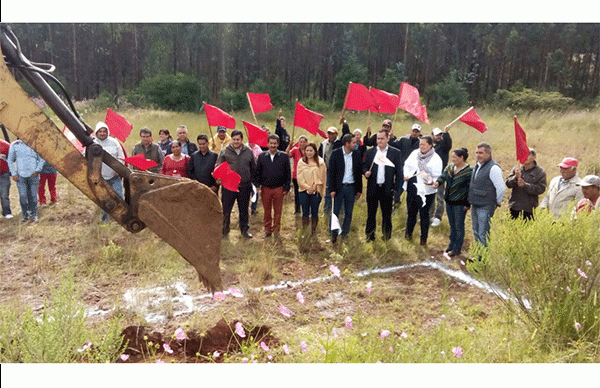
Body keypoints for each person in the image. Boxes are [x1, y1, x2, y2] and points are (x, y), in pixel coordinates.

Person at [403, 135, 443, 246]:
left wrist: (432, 181)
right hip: (413, 187)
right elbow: (406, 165)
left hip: (426, 190)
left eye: (424, 145)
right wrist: (406, 175)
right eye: (420, 144)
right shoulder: (414, 153)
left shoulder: (436, 159)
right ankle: (408, 235)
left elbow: (437, 176)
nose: (422, 147)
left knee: (424, 214)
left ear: (430, 145)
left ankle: (423, 239)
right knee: (411, 213)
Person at [363, 130, 402, 241]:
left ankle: (386, 236)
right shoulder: (371, 152)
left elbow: (399, 172)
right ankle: (370, 235)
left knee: (387, 214)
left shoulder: (395, 153)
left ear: (387, 139)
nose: (379, 141)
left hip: (387, 188)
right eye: (378, 139)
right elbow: (364, 166)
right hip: (373, 188)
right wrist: (365, 172)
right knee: (371, 213)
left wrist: (396, 189)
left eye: (382, 139)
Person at [216, 130, 256, 239]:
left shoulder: (248, 151)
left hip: (244, 186)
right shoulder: (224, 151)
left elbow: (253, 168)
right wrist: (219, 176)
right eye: (234, 139)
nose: (236, 141)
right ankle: (224, 230)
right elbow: (218, 166)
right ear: (231, 139)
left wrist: (252, 182)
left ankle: (244, 230)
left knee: (243, 209)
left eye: (238, 139)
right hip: (228, 186)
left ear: (242, 140)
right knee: (226, 209)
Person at [433, 148, 472, 256]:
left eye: (455, 157)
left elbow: (470, 189)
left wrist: (467, 203)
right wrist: (437, 183)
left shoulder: (469, 171)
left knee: (459, 225)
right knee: (452, 225)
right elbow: (443, 177)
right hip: (449, 201)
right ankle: (451, 243)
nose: (452, 159)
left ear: (462, 158)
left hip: (460, 203)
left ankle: (457, 248)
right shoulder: (450, 167)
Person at [468, 142, 505, 250]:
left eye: (480, 153)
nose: (478, 155)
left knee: (483, 233)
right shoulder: (477, 166)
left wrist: (497, 202)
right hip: (475, 204)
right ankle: (478, 257)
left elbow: (501, 188)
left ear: (488, 154)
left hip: (486, 205)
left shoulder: (494, 168)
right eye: (476, 153)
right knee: (476, 231)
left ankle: (483, 260)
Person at [328, 134, 363, 243]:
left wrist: (359, 190)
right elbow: (331, 173)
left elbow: (358, 174)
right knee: (335, 212)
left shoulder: (357, 154)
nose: (355, 144)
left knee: (348, 212)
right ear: (347, 143)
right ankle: (333, 235)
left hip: (351, 188)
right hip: (339, 188)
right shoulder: (336, 154)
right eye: (353, 142)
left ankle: (344, 234)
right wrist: (331, 189)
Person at [255, 134, 291, 237]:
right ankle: (267, 230)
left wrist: (287, 187)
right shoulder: (262, 156)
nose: (273, 145)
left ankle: (276, 230)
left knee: (278, 211)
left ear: (278, 144)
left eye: (275, 143)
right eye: (271, 143)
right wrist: (258, 185)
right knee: (267, 210)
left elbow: (288, 173)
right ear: (268, 144)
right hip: (265, 188)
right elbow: (258, 172)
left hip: (279, 188)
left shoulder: (284, 156)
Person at [93, 122, 125, 223]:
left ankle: (121, 219)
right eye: (100, 132)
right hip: (100, 178)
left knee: (119, 196)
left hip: (114, 176)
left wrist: (119, 170)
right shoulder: (93, 143)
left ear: (107, 132)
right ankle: (105, 220)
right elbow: (85, 159)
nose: (102, 133)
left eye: (104, 131)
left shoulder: (114, 142)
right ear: (96, 132)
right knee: (105, 199)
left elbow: (121, 157)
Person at [7, 139, 44, 222]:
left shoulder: (36, 143)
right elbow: (10, 160)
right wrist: (13, 173)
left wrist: (37, 170)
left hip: (33, 175)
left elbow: (42, 158)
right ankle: (25, 215)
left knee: (33, 196)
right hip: (20, 175)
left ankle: (34, 215)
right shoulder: (15, 145)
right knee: (23, 196)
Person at [505, 148, 547, 220]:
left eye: (527, 154)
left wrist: (525, 185)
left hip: (529, 208)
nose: (524, 157)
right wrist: (515, 178)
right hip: (514, 206)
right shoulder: (517, 168)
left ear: (534, 157)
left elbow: (541, 189)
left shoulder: (540, 172)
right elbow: (508, 183)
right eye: (522, 154)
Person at [297, 142, 327, 235]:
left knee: (315, 211)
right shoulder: (301, 162)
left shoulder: (321, 163)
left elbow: (322, 177)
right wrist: (307, 188)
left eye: (311, 150)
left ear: (315, 151)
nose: (309, 152)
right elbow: (299, 178)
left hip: (316, 190)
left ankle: (313, 231)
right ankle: (305, 230)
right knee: (305, 211)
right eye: (307, 150)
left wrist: (314, 187)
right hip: (303, 190)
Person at [391, 123, 422, 208]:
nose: (415, 133)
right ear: (410, 131)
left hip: (415, 170)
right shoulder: (403, 139)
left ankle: (412, 206)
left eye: (417, 132)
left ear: (419, 133)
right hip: (402, 168)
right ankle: (395, 202)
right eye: (413, 131)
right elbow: (392, 146)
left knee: (412, 189)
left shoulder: (421, 142)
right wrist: (391, 138)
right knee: (399, 186)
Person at [430, 126, 453, 227]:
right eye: (437, 135)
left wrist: (446, 133)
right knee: (430, 195)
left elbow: (448, 143)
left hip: (440, 175)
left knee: (440, 196)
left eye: (440, 135)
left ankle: (437, 217)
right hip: (430, 175)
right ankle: (430, 215)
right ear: (432, 136)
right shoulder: (432, 147)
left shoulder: (444, 146)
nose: (439, 137)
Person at [318, 127, 341, 216]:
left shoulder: (340, 143)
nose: (331, 135)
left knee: (337, 190)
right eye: (329, 133)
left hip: (337, 171)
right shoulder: (323, 144)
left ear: (336, 134)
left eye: (333, 133)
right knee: (327, 191)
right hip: (327, 171)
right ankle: (326, 211)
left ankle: (336, 211)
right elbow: (319, 155)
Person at [286, 135, 308, 215]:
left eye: (304, 142)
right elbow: (287, 154)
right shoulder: (295, 150)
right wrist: (290, 145)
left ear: (306, 143)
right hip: (296, 176)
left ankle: (305, 209)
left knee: (305, 192)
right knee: (297, 193)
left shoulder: (308, 150)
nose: (302, 144)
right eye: (300, 142)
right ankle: (297, 209)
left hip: (306, 175)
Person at [247, 140, 263, 215]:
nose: (251, 142)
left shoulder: (258, 149)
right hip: (246, 172)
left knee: (255, 192)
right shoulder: (245, 147)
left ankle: (253, 208)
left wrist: (257, 160)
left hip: (255, 173)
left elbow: (261, 160)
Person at [1, 138, 14, 218]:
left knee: (4, 194)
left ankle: (6, 212)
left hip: (3, 174)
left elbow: (13, 157)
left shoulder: (5, 145)